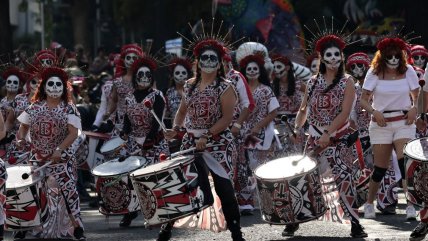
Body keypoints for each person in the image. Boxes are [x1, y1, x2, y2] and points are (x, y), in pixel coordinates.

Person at [161, 38, 245, 241]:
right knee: (180, 185)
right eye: (204, 58)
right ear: (197, 61)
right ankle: (166, 230)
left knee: (224, 187)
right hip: (191, 142)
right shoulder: (189, 85)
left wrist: (207, 136)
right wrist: (176, 129)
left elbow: (227, 119)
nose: (208, 62)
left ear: (219, 63)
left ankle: (236, 231)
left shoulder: (226, 87)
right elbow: (182, 112)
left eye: (213, 59)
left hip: (219, 143)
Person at [292, 34, 367, 238]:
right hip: (315, 137)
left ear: (342, 57)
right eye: (329, 55)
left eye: (337, 55)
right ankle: (294, 219)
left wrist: (328, 132)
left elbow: (344, 113)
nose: (333, 58)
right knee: (303, 178)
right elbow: (304, 108)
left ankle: (354, 223)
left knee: (344, 180)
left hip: (338, 139)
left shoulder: (347, 81)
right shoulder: (313, 82)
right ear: (322, 58)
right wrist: (297, 127)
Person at [359, 37, 421, 240]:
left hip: (404, 122)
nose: (393, 59)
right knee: (380, 167)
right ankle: (370, 203)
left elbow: (418, 94)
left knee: (405, 164)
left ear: (402, 56)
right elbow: (363, 99)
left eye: (397, 56)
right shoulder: (374, 73)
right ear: (382, 57)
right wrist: (374, 111)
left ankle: (411, 206)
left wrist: (414, 109)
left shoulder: (409, 71)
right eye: (389, 56)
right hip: (381, 124)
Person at [16, 66, 85, 240]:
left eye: (58, 85)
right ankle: (35, 229)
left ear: (63, 88)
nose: (54, 88)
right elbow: (23, 127)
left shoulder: (69, 108)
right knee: (38, 193)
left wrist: (59, 150)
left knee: (67, 193)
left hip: (62, 159)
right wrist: (21, 139)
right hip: (38, 158)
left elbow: (74, 132)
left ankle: (75, 229)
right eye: (51, 84)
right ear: (44, 87)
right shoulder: (34, 107)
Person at [118, 56, 170, 227]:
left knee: (154, 179)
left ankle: (160, 214)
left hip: (154, 143)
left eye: (148, 75)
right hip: (134, 143)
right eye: (141, 74)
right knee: (130, 179)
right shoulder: (129, 97)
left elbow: (157, 121)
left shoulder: (158, 96)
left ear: (152, 77)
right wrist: (124, 132)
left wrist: (149, 140)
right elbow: (126, 118)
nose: (144, 78)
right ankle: (130, 212)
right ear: (135, 77)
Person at [238, 53, 279, 214]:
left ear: (260, 70)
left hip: (261, 135)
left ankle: (266, 201)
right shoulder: (240, 89)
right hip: (243, 135)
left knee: (260, 167)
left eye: (255, 68)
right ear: (244, 71)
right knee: (245, 168)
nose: (252, 71)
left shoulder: (266, 89)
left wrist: (257, 126)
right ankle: (247, 201)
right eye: (249, 69)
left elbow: (274, 112)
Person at [223, 50, 255, 215]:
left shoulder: (236, 77)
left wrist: (238, 124)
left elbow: (248, 103)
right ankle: (223, 202)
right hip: (214, 129)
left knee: (240, 164)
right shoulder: (208, 78)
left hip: (235, 129)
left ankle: (245, 200)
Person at [104, 44, 143, 137]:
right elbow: (114, 100)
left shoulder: (144, 80)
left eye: (134, 58)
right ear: (123, 60)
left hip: (139, 123)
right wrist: (108, 112)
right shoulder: (117, 81)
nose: (131, 61)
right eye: (128, 58)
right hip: (121, 124)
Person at [271, 53, 306, 155]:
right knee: (280, 157)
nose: (276, 70)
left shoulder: (299, 84)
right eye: (274, 67)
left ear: (287, 68)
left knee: (296, 155)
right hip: (278, 125)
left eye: (278, 67)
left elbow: (310, 98)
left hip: (296, 124)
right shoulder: (272, 86)